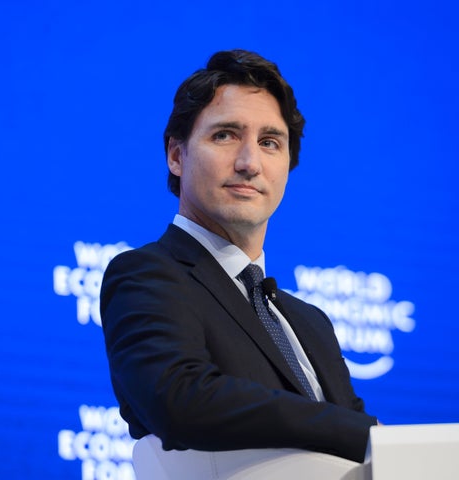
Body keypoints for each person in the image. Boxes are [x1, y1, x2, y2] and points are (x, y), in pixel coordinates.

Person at [99, 49, 378, 463]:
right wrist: (359, 433)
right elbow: (180, 399)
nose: (250, 163)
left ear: (286, 165)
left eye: (269, 142)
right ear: (176, 155)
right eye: (225, 135)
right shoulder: (146, 275)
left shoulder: (310, 323)